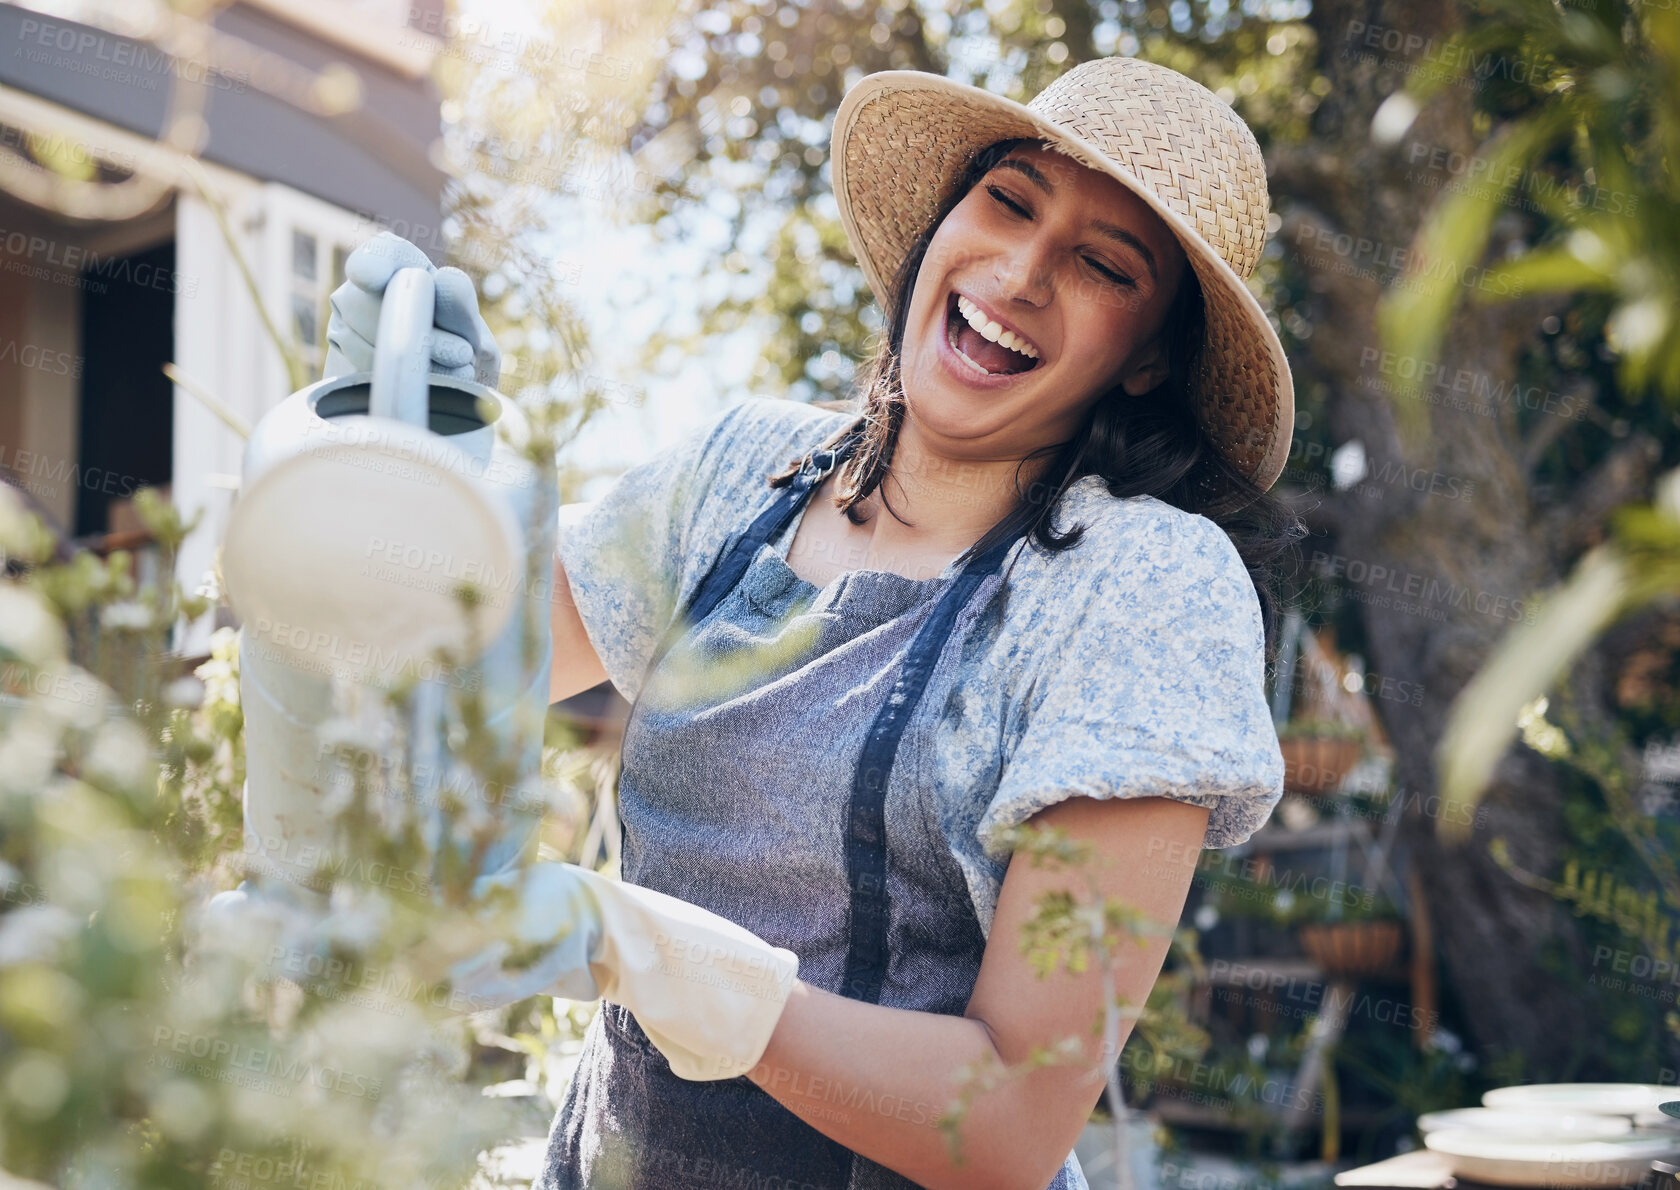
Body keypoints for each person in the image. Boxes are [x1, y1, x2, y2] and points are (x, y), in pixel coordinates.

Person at [328, 54, 1297, 1190]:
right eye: (1009, 200)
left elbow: (1013, 1117)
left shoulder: (1141, 591)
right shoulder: (743, 471)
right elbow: (437, 661)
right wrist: (413, 448)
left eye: (1101, 265)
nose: (1023, 271)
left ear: (1147, 361)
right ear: (943, 223)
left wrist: (642, 950)